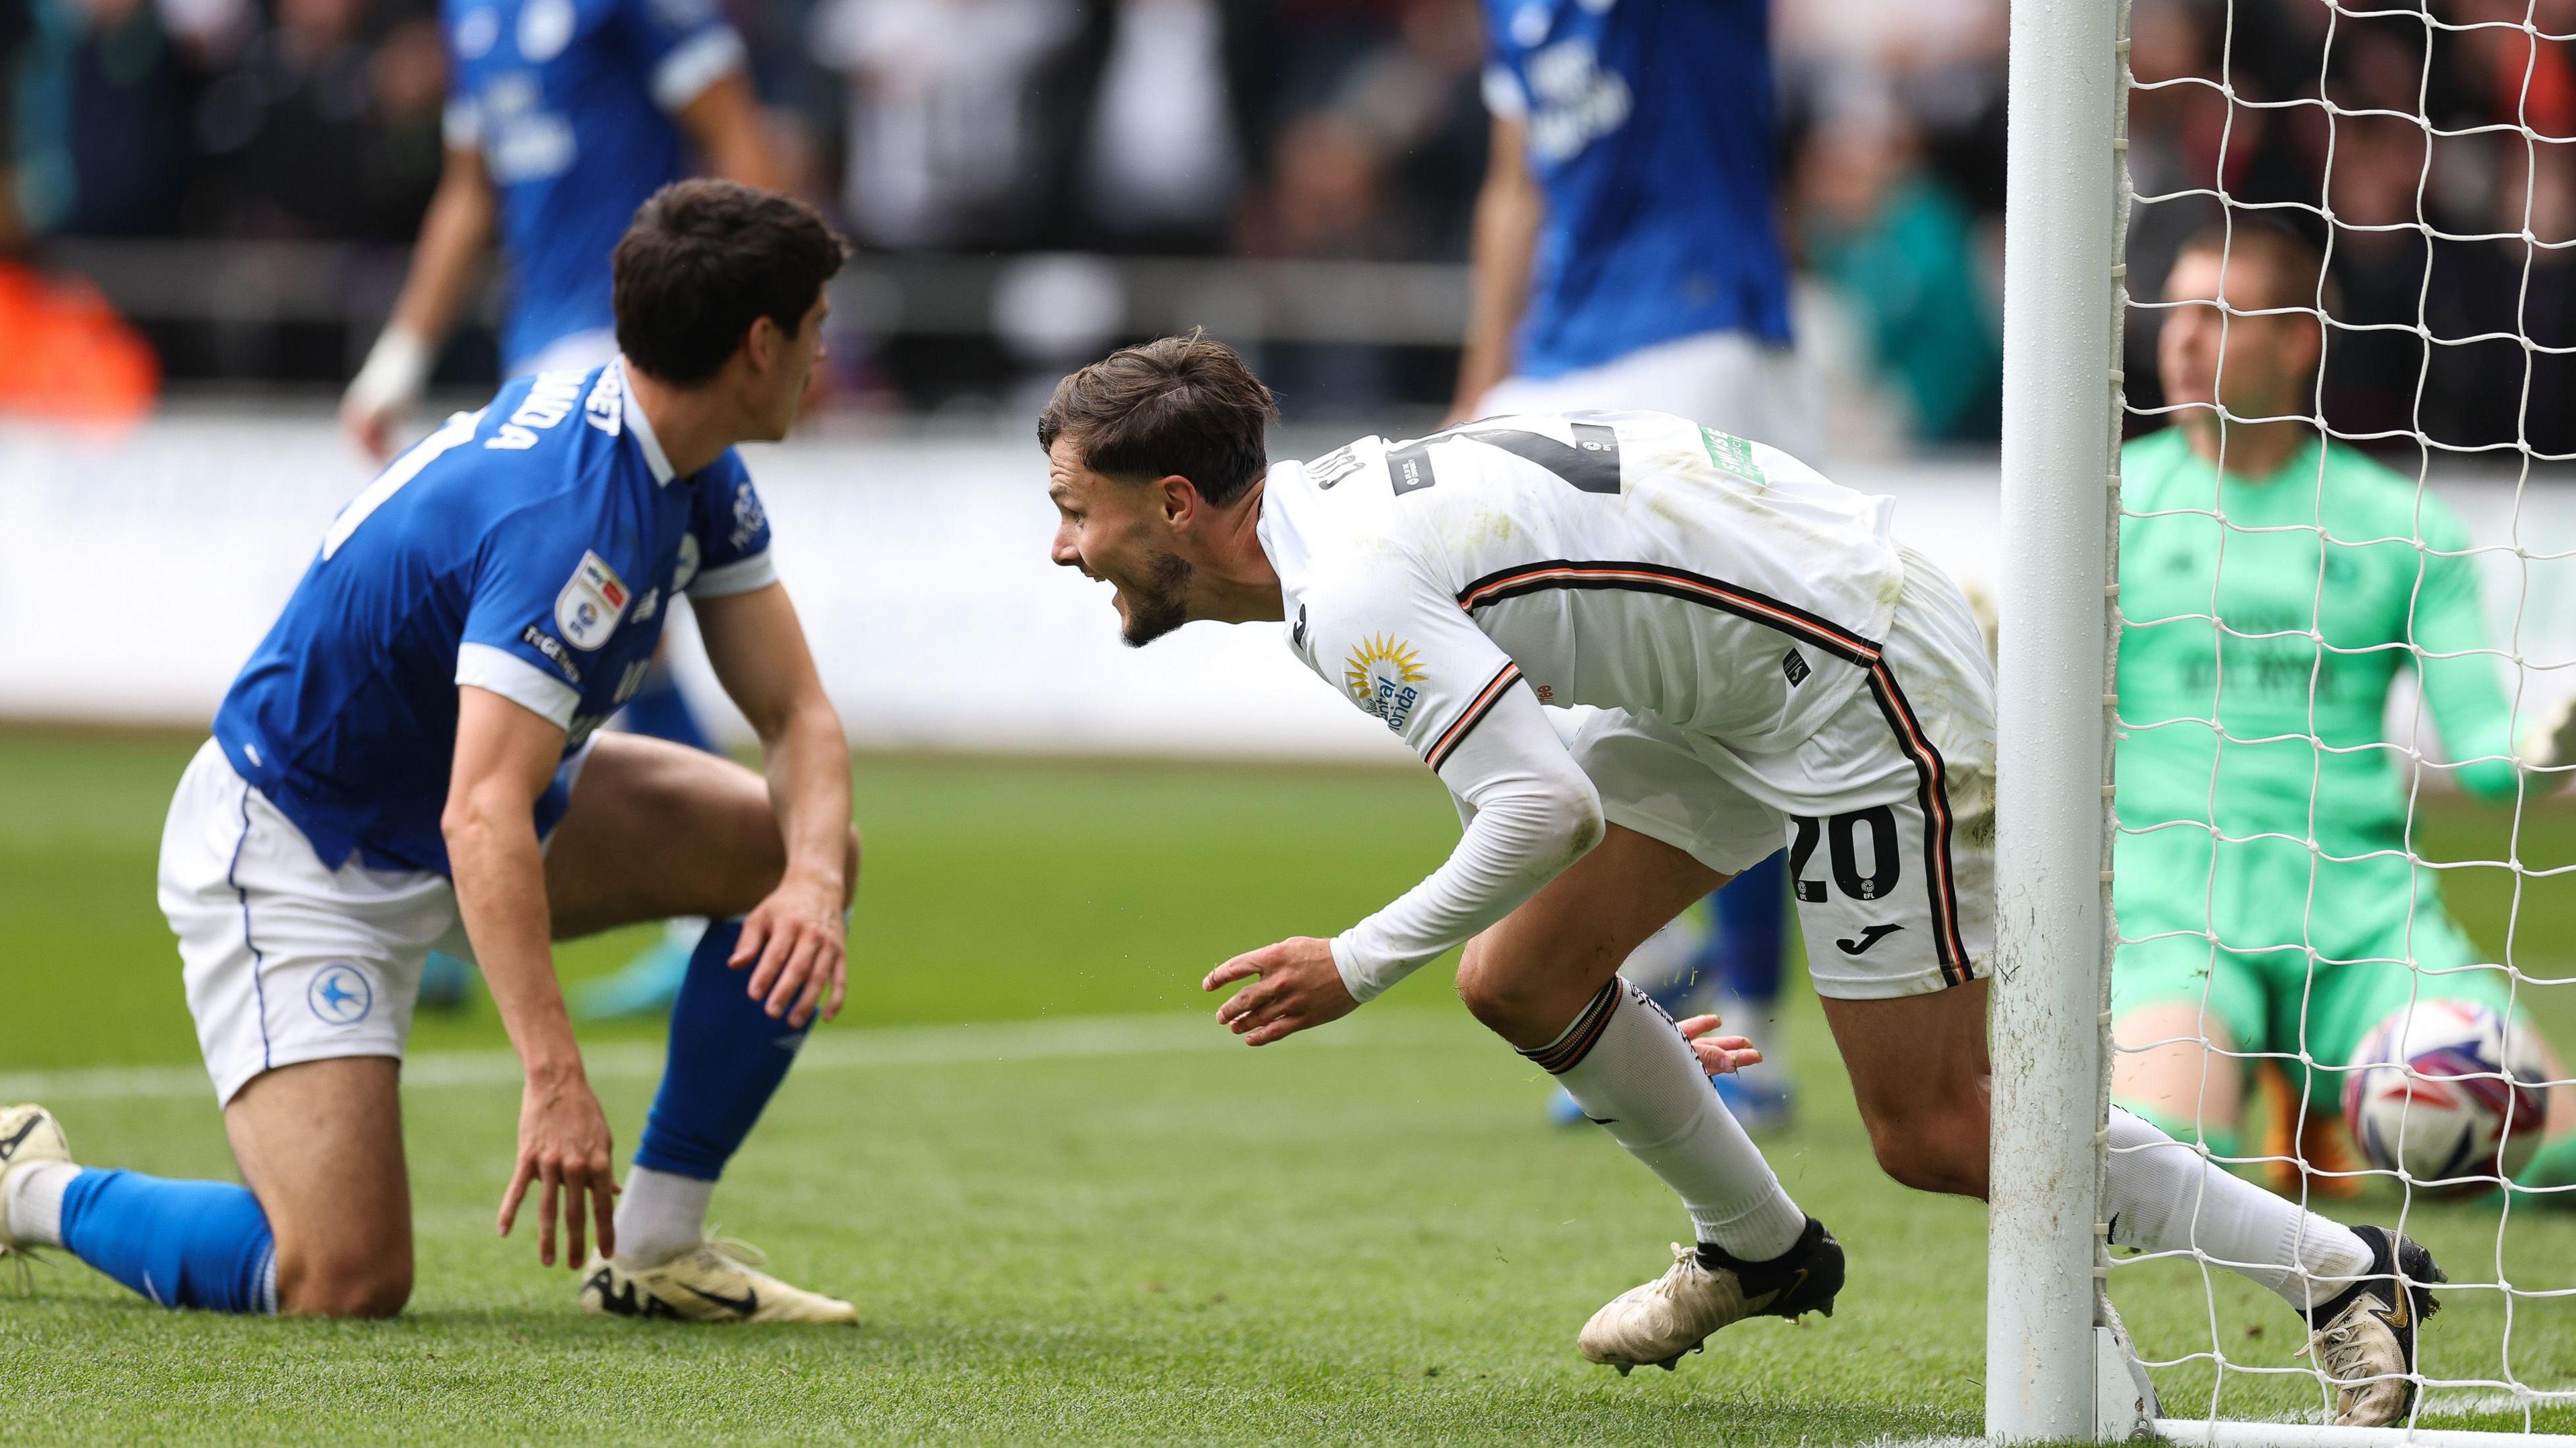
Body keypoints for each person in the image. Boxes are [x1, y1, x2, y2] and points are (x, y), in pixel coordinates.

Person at [1036, 335, 2448, 1429]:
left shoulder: (1341, 588)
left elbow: (1542, 808)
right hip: (1744, 672)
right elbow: (1564, 747)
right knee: (1522, 978)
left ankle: (2341, 1271)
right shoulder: (1327, 526)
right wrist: (1636, 1020)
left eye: (1073, 511)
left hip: (1853, 685)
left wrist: (1352, 961)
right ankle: (1761, 1252)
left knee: (1940, 1131)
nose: (1062, 547)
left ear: (1174, 502)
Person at [0, 181, 860, 1325]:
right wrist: (554, 1079)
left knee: (803, 844)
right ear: (759, 344)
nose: (823, 351)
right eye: (815, 324)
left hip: (480, 811)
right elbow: (480, 816)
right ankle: (26, 1182)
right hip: (305, 853)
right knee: (343, 1281)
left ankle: (655, 1251)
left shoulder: (687, 460)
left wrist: (808, 881)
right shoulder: (569, 518)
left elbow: (795, 713)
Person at [343, 0, 789, 1021]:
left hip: (634, 343)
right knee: (519, 622)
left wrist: (769, 319)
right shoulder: (473, 17)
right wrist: (400, 355)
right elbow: (472, 191)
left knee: (593, 627)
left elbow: (733, 134)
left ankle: (691, 914)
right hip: (539, 357)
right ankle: (440, 899)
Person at [2110, 223, 2576, 1197]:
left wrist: (2547, 748)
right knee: (2154, 1153)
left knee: (2546, 1140)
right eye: (2176, 311)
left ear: (2297, 340)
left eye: (2219, 314)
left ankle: (2325, 1105)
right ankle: (2285, 1112)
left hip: (2360, 913)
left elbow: (2486, 763)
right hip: (2171, 910)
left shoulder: (2403, 526)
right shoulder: (2107, 510)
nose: (2183, 338)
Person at [1453, 0, 1811, 1131]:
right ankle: (1651, 973)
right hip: (1557, 353)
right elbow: (1517, 181)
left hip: (1701, 331)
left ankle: (1751, 1028)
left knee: (1728, 684)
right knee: (1455, 633)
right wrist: (1481, 378)